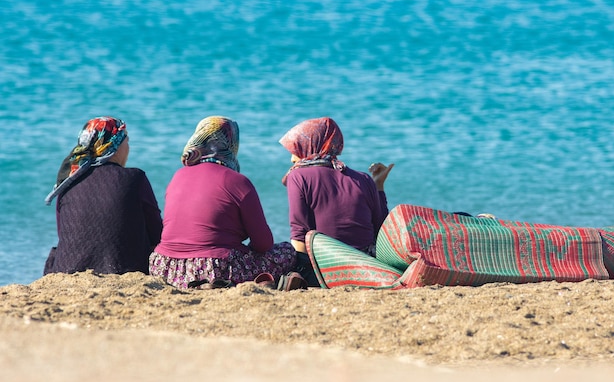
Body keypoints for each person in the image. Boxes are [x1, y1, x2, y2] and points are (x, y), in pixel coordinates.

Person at [149, 116, 297, 289]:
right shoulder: (237, 181)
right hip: (214, 268)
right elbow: (264, 243)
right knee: (287, 251)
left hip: (164, 267)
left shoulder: (177, 176)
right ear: (232, 143)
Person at [279, 117, 394, 286]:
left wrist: (300, 273)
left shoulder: (298, 176)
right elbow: (383, 231)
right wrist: (378, 185)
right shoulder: (364, 179)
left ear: (311, 146)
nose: (292, 159)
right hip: (368, 266)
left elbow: (299, 233)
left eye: (296, 149)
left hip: (327, 268)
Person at [44, 116, 163, 275]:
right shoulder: (135, 178)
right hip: (124, 268)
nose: (128, 148)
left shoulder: (68, 180)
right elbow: (157, 232)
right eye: (126, 142)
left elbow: (63, 233)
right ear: (115, 146)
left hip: (67, 269)